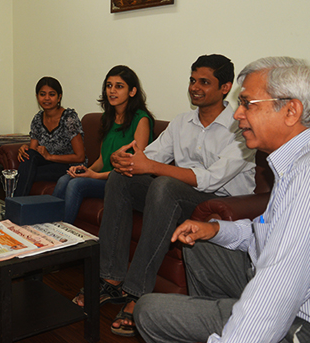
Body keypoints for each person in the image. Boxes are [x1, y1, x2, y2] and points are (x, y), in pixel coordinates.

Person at [134, 57, 310, 343]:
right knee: (202, 242)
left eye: (247, 103)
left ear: (291, 111)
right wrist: (217, 229)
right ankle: (226, 316)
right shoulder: (303, 160)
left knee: (149, 311)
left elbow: (279, 286)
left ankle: (230, 326)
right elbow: (266, 228)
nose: (237, 114)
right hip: (299, 298)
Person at [74, 55, 256, 338]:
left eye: (204, 82)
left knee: (164, 186)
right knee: (120, 180)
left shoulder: (241, 128)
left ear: (225, 87)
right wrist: (122, 159)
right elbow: (151, 155)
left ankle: (136, 292)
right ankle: (110, 277)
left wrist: (154, 168)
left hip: (218, 207)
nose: (195, 87)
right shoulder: (183, 122)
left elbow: (211, 180)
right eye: (192, 80)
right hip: (176, 197)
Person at [52, 66, 154, 224]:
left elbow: (133, 166)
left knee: (76, 185)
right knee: (65, 179)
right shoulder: (108, 117)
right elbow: (102, 159)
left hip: (121, 183)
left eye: (119, 86)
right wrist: (85, 170)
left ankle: (62, 239)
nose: (112, 91)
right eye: (109, 85)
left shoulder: (141, 120)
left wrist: (94, 176)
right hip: (102, 178)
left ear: (132, 92)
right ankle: (48, 231)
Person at [15, 76, 86, 196]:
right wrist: (24, 149)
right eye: (42, 94)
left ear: (59, 97)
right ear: (37, 97)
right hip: (48, 164)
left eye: (51, 94)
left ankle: (15, 205)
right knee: (29, 158)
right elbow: (33, 152)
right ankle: (17, 205)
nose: (47, 98)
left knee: (24, 174)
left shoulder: (69, 118)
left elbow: (80, 157)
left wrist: (50, 156)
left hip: (69, 166)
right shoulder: (38, 119)